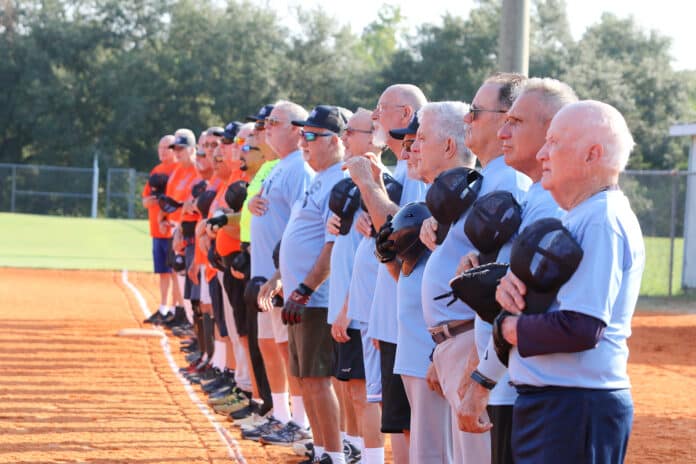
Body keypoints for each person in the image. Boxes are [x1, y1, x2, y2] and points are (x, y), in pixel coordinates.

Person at [494, 100, 644, 464]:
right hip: (559, 404)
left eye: (555, 143)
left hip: (575, 408)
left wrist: (509, 328)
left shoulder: (601, 218)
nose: (543, 153)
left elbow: (581, 327)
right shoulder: (581, 214)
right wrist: (504, 294)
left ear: (593, 154)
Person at [455, 78, 578, 464]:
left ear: (552, 130)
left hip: (525, 383)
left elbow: (525, 303)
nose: (503, 132)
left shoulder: (553, 206)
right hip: (513, 380)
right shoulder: (537, 197)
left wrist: (483, 376)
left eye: (516, 122)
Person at [418, 74, 531, 464]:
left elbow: (500, 286)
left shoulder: (510, 182)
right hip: (460, 343)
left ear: (506, 120)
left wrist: (474, 365)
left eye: (475, 111)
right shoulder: (486, 179)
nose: (467, 119)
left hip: (478, 347)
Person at [344, 83, 429, 464]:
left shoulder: (418, 169)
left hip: (411, 322)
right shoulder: (404, 168)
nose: (375, 116)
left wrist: (369, 185)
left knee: (412, 423)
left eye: (382, 108)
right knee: (400, 421)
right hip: (394, 319)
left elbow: (400, 239)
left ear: (406, 115)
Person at [142, 134, 181, 324]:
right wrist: (156, 199)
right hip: (157, 231)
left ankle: (176, 309)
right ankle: (163, 308)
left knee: (175, 272)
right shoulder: (156, 170)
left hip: (172, 230)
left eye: (167, 147)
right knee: (163, 272)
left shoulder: (178, 170)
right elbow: (146, 200)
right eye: (160, 147)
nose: (162, 151)